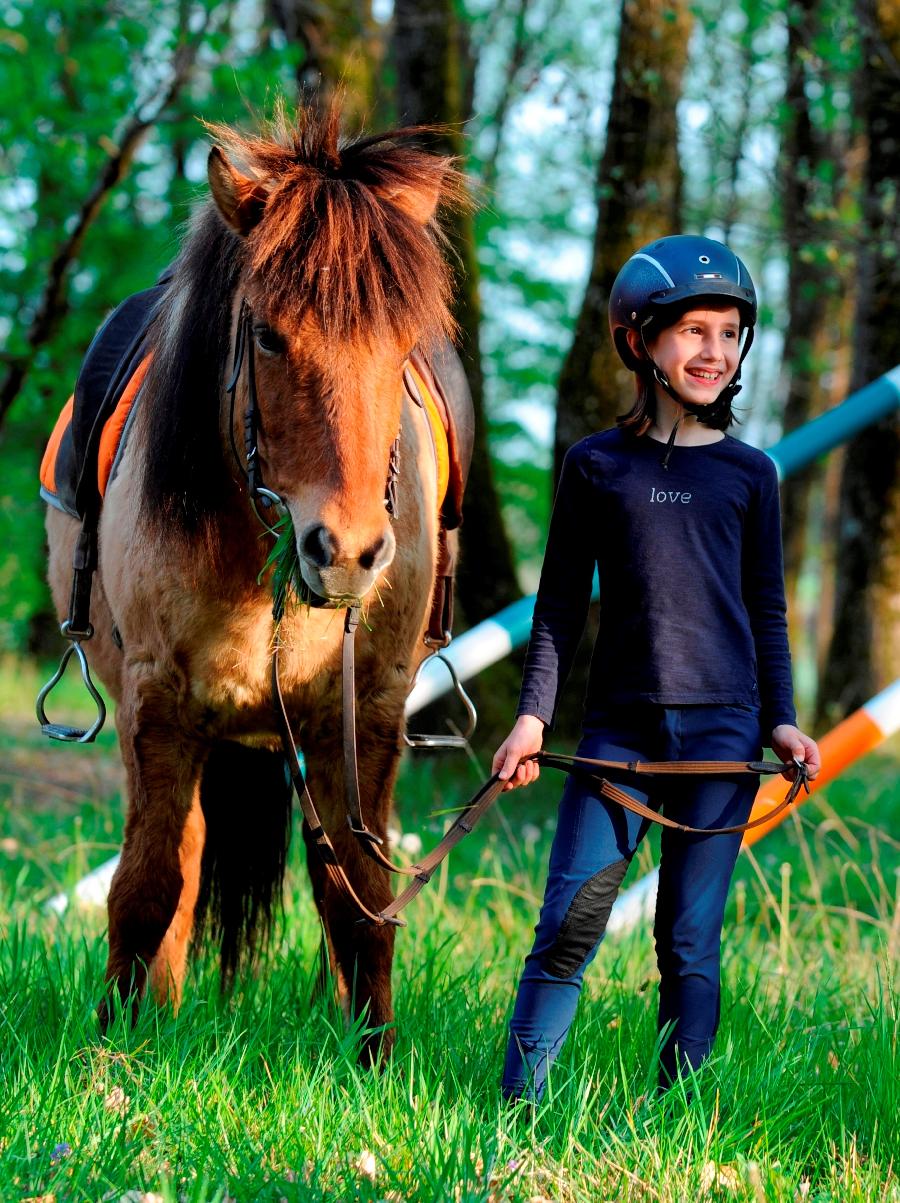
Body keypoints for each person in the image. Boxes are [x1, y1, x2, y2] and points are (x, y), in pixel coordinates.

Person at [492, 234, 821, 1101]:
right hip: (618, 736)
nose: (715, 351)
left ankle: (678, 1117)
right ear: (642, 340)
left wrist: (780, 717)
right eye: (694, 331)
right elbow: (559, 607)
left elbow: (767, 610)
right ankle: (515, 1111)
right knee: (568, 924)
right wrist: (532, 717)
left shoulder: (752, 476)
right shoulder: (595, 466)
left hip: (723, 737)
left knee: (688, 941)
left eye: (729, 333)